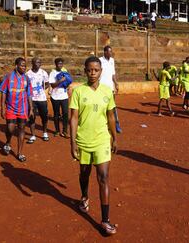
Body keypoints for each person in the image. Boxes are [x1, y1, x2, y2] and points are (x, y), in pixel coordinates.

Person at [70, 56, 118, 235]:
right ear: (85, 71)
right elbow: (73, 118)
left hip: (102, 140)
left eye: (96, 70)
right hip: (83, 140)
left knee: (103, 177)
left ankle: (105, 220)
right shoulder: (78, 92)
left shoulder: (107, 91)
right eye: (89, 70)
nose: (92, 73)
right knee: (84, 173)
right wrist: (72, 142)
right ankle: (84, 196)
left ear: (101, 71)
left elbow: (111, 116)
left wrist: (115, 137)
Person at [0, 57, 33, 162]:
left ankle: (20, 153)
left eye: (25, 66)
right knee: (10, 128)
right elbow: (3, 92)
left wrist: (31, 108)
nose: (24, 67)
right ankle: (8, 142)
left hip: (23, 109)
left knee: (22, 129)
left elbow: (29, 94)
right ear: (16, 66)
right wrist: (2, 108)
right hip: (10, 108)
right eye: (22, 65)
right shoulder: (9, 77)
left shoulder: (26, 79)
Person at [26, 57, 50, 143]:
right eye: (36, 62)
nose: (38, 64)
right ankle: (33, 135)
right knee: (32, 117)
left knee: (44, 116)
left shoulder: (44, 73)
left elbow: (47, 83)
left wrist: (42, 89)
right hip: (31, 99)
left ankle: (45, 132)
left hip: (42, 98)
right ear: (32, 63)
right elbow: (26, 86)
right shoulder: (28, 74)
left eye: (40, 62)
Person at [99, 45, 122, 133]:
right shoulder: (100, 60)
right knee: (102, 106)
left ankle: (116, 124)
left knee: (112, 107)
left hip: (110, 88)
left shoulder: (112, 60)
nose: (110, 53)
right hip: (101, 88)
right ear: (104, 52)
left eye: (111, 51)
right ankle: (103, 124)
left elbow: (113, 74)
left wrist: (116, 83)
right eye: (108, 51)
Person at [48, 57, 70, 138]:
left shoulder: (64, 71)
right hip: (55, 96)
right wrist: (61, 81)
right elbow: (52, 85)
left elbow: (68, 82)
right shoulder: (52, 73)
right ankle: (57, 130)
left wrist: (66, 83)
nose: (60, 65)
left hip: (64, 96)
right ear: (56, 64)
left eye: (61, 63)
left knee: (65, 113)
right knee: (56, 114)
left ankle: (65, 131)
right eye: (59, 63)